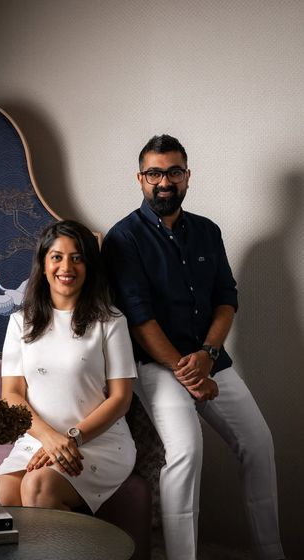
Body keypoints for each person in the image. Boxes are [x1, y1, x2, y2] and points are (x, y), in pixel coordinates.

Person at [101, 134, 285, 560]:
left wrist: (208, 355)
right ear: (140, 179)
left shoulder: (207, 231)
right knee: (186, 451)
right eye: (154, 173)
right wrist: (187, 372)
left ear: (187, 176)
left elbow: (226, 299)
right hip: (156, 365)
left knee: (259, 444)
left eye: (174, 172)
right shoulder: (123, 238)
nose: (165, 182)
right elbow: (139, 319)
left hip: (210, 359)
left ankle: (271, 552)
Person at [0, 219, 137, 514]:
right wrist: (49, 438)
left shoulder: (111, 321)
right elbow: (11, 395)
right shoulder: (20, 322)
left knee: (37, 486)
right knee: (1, 497)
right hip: (38, 439)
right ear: (43, 264)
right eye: (57, 257)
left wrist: (72, 438)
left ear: (89, 266)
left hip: (97, 442)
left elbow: (121, 399)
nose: (66, 267)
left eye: (77, 258)